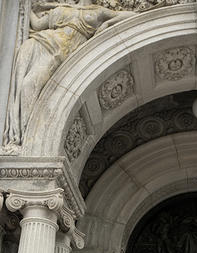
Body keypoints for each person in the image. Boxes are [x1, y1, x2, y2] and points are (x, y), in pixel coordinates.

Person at [3, 0, 138, 150]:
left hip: (63, 52)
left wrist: (107, 24)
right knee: (27, 85)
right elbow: (37, 25)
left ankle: (27, 141)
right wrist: (25, 9)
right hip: (44, 43)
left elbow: (130, 15)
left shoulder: (98, 11)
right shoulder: (61, 8)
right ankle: (24, 140)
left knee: (30, 83)